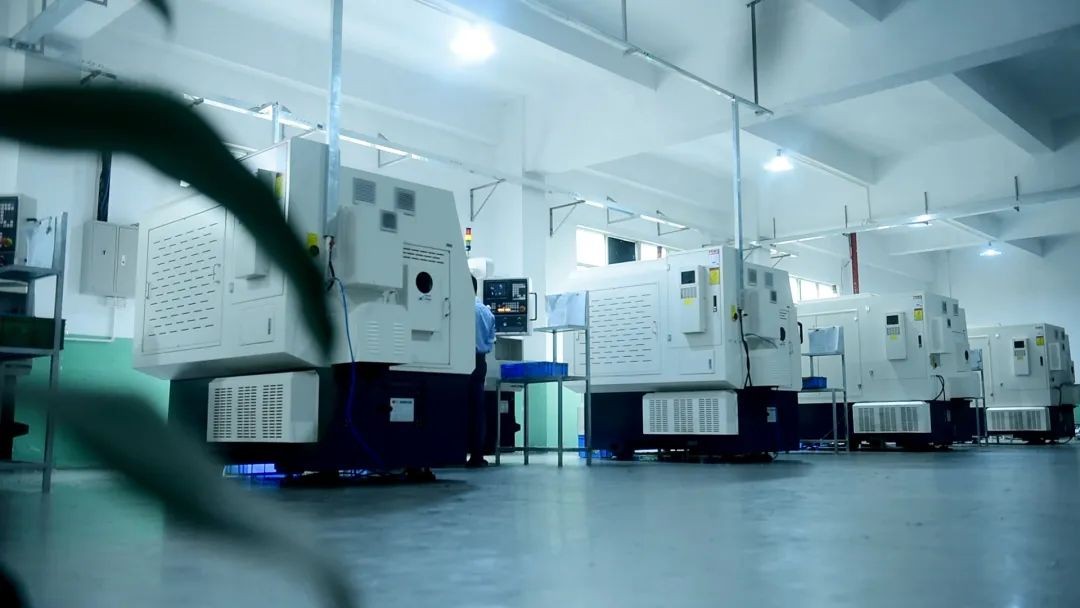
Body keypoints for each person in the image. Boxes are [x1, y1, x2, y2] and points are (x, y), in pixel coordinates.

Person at [468, 274, 496, 468]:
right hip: (480, 362)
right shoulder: (486, 312)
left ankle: (455, 452)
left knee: (458, 406)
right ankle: (477, 455)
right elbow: (491, 340)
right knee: (477, 408)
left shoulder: (462, 308)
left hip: (462, 361)